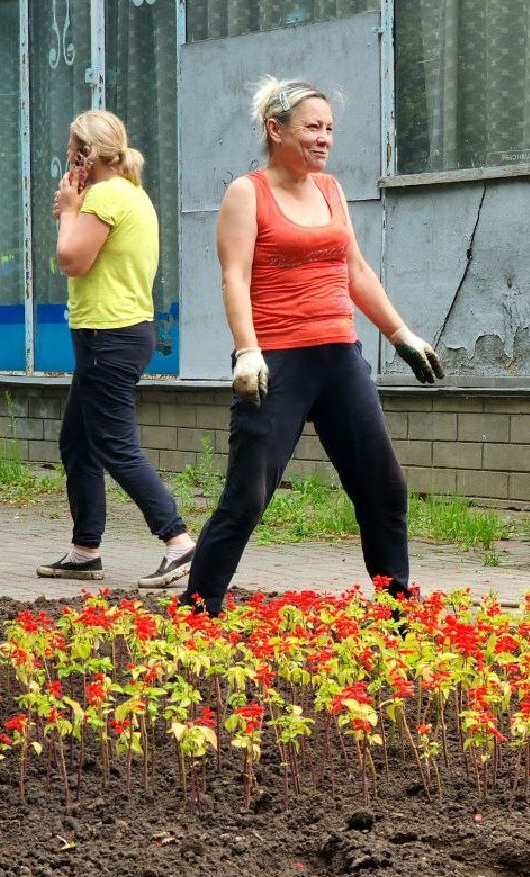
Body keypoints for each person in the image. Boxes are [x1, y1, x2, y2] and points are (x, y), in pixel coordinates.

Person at [186, 77, 444, 616]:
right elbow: (234, 278)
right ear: (275, 129)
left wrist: (401, 335)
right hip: (277, 362)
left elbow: (354, 270)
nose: (324, 138)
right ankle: (197, 607)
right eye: (312, 127)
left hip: (339, 358)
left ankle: (396, 606)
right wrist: (246, 351)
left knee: (383, 486)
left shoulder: (329, 191)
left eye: (329, 128)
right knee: (248, 496)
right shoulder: (246, 193)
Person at [39, 109, 196, 588]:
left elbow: (71, 260)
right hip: (107, 334)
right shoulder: (130, 194)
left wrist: (69, 211)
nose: (67, 157)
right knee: (78, 442)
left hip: (111, 335)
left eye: (72, 149)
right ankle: (86, 550)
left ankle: (180, 543)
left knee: (114, 444)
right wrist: (72, 212)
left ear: (86, 154)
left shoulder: (106, 195)